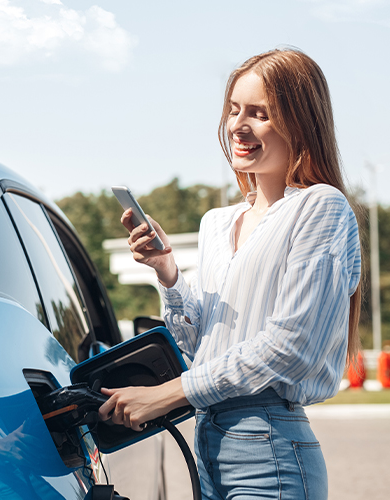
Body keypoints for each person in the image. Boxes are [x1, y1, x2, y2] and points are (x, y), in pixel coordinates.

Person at [98, 48, 362, 500]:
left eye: (259, 113)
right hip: (209, 443)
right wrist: (168, 274)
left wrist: (169, 394)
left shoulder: (321, 207)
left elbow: (292, 346)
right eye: (234, 109)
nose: (239, 125)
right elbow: (197, 345)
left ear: (301, 122)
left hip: (270, 449)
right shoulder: (216, 223)